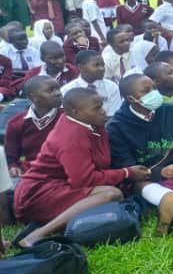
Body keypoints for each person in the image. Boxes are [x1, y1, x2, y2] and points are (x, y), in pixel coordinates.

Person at [12, 88, 151, 248]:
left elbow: (100, 164)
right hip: (37, 194)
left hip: (61, 185)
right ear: (75, 112)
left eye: (102, 105)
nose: (103, 111)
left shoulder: (92, 124)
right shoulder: (71, 137)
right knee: (111, 194)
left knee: (114, 193)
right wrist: (126, 173)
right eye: (96, 108)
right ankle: (38, 234)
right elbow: (84, 180)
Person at [106, 74, 173, 235]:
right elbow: (127, 167)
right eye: (146, 91)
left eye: (154, 88)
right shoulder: (116, 127)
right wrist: (159, 172)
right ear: (131, 98)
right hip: (148, 177)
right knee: (139, 185)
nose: (154, 93)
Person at [5, 75, 62, 175]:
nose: (58, 93)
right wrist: (13, 166)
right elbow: (11, 155)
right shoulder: (16, 122)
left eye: (58, 89)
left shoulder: (67, 118)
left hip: (61, 170)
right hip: (30, 170)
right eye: (50, 90)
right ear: (33, 97)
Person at [61, 49, 123, 116]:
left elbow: (114, 114)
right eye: (96, 65)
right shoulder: (67, 90)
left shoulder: (111, 87)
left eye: (103, 65)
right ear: (81, 67)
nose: (102, 69)